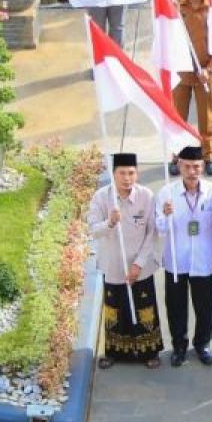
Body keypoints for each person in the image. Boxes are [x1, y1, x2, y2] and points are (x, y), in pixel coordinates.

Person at [88, 152, 163, 369]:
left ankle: (149, 351)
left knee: (144, 309)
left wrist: (138, 263)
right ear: (113, 174)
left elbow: (152, 233)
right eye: (122, 173)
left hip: (141, 266)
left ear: (137, 173)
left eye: (131, 173)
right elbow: (93, 230)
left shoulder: (147, 196)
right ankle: (114, 352)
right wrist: (109, 223)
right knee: (115, 309)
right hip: (113, 265)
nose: (127, 178)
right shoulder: (101, 198)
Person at [156, 145, 212, 367]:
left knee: (205, 305)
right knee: (176, 306)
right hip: (177, 258)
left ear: (203, 167)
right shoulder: (166, 193)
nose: (192, 171)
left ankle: (203, 343)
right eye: (187, 166)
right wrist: (166, 216)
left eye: (196, 166)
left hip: (204, 258)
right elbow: (159, 229)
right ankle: (179, 345)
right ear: (179, 166)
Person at [171, 0, 212, 177]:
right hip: (180, 72)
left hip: (205, 72)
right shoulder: (173, 5)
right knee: (177, 116)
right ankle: (177, 155)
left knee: (207, 116)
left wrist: (209, 68)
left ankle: (208, 155)